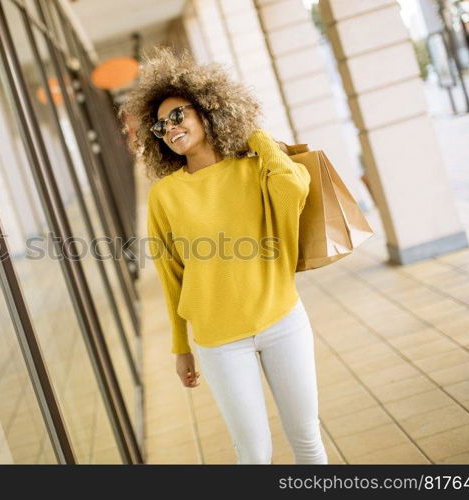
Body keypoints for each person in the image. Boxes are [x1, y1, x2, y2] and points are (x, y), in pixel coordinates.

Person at [121, 47, 327, 464]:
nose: (171, 128)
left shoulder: (254, 169)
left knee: (305, 437)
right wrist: (181, 347)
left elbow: (293, 187)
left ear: (207, 111)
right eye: (161, 126)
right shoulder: (165, 195)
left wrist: (258, 138)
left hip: (282, 320)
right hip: (219, 342)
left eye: (178, 115)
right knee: (252, 454)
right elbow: (170, 276)